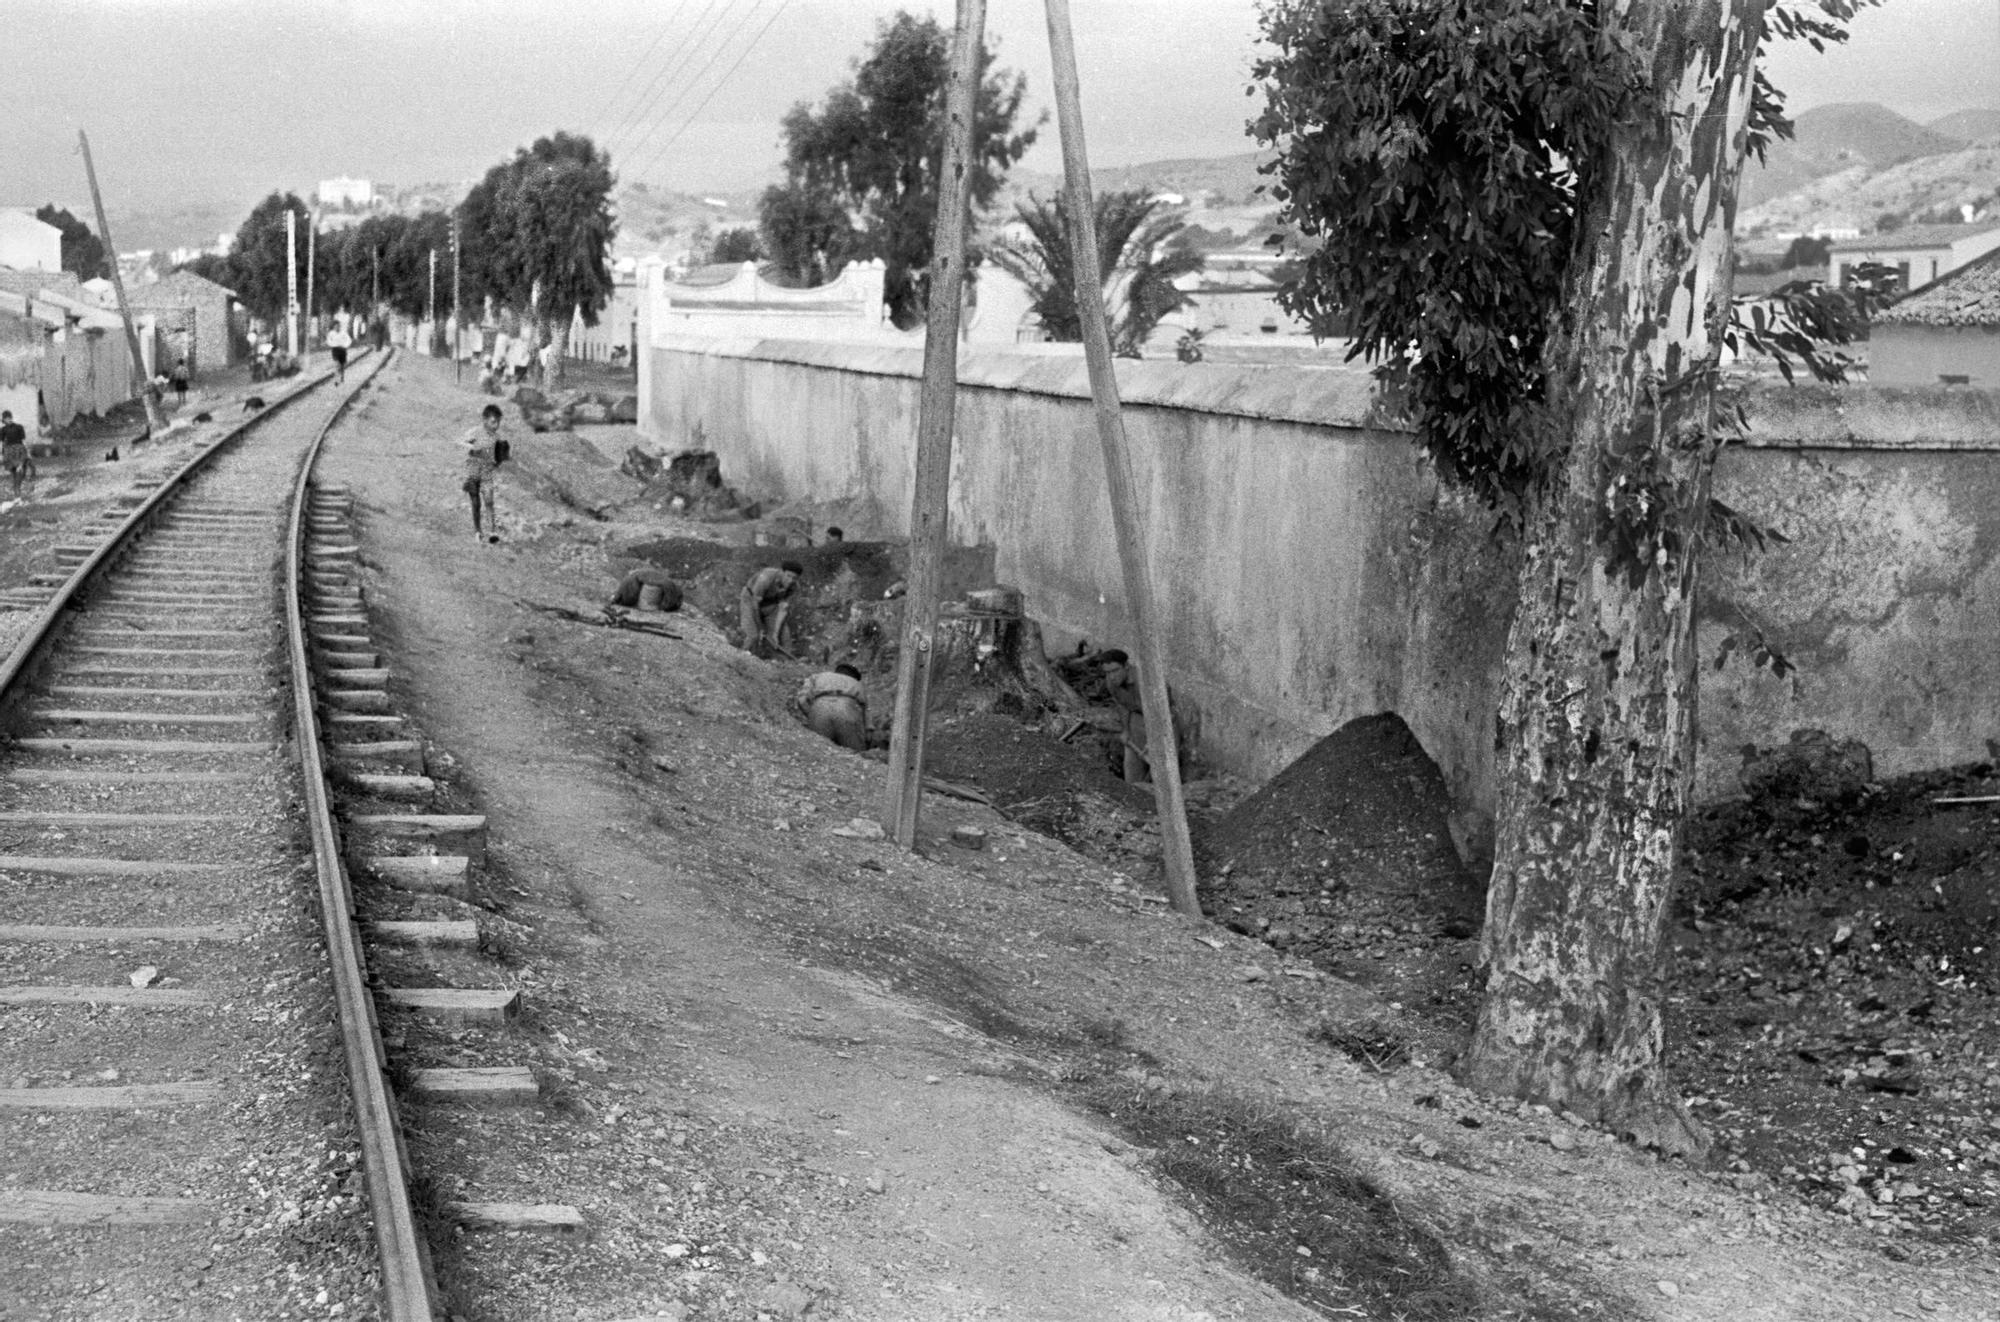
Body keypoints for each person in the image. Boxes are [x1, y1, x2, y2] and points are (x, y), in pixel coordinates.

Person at [1100, 649, 1195, 785]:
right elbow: (1122, 706)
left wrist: (1154, 740)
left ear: (1126, 666)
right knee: (1132, 771)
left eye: (1115, 671)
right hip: (1138, 718)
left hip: (1165, 720)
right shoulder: (1111, 682)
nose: (1112, 676)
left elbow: (1163, 713)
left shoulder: (1147, 681)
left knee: (1164, 770)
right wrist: (1126, 731)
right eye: (1107, 672)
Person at [460, 403, 511, 543]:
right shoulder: (475, 432)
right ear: (485, 420)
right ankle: (478, 531)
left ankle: (493, 531)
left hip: (487, 473)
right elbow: (461, 442)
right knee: (476, 503)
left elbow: (501, 455)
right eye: (493, 422)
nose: (496, 425)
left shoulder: (497, 437)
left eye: (498, 422)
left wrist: (500, 459)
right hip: (472, 472)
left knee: (489, 501)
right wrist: (474, 447)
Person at [793, 663, 867, 751]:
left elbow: (801, 700)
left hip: (820, 708)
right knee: (855, 754)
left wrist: (810, 714)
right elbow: (865, 711)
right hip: (846, 709)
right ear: (854, 677)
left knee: (818, 750)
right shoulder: (857, 684)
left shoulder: (817, 676)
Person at [739, 560, 802, 657]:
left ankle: (782, 664)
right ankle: (743, 657)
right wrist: (760, 627)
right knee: (753, 635)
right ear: (781, 572)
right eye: (788, 576)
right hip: (750, 599)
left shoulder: (794, 587)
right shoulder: (766, 578)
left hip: (770, 603)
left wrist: (775, 634)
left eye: (794, 578)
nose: (790, 581)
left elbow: (782, 610)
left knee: (784, 636)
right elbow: (755, 604)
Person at [606, 566, 683, 612]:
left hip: (651, 588)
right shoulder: (631, 580)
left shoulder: (629, 580)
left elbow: (620, 594)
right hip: (654, 588)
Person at [1, 410, 33, 495]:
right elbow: (2, 442)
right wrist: (2, 454)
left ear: (11, 417)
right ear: (3, 420)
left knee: (21, 470)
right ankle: (16, 491)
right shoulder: (3, 430)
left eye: (9, 417)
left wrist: (28, 452)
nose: (8, 419)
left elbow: (23, 440)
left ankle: (17, 489)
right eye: (6, 418)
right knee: (14, 472)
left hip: (19, 450)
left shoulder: (19, 427)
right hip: (9, 452)